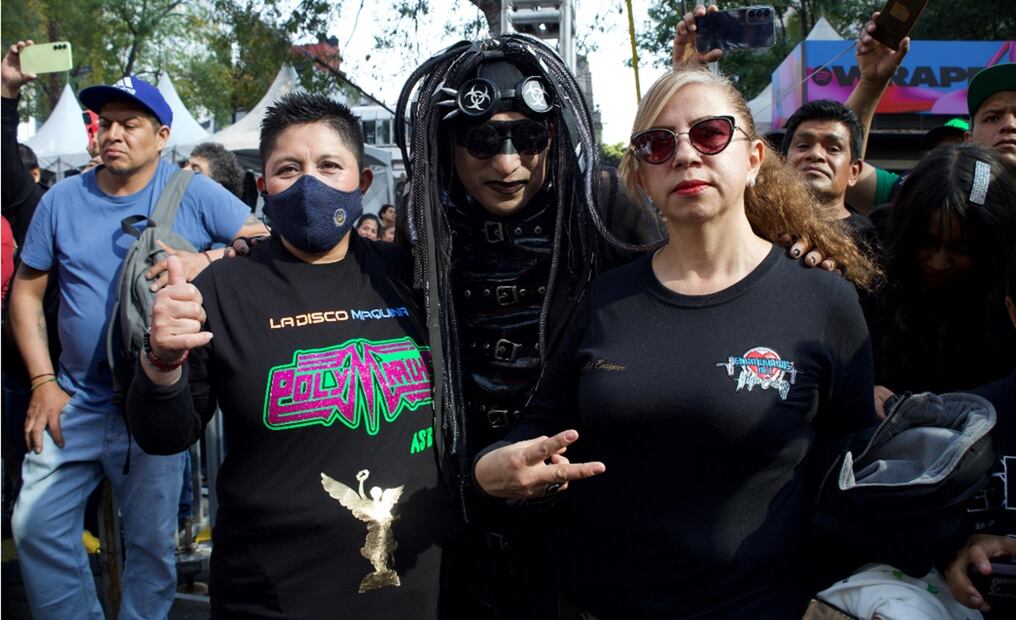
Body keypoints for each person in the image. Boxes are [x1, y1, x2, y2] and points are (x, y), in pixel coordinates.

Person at [398, 28, 840, 618]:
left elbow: (699, 245)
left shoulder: (601, 209)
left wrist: (787, 251)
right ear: (447, 146)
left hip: (590, 530)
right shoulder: (422, 222)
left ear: (552, 136)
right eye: (481, 140)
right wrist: (251, 247)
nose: (507, 162)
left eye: (527, 136)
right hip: (457, 508)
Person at [126, 92, 448, 619]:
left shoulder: (409, 278)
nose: (309, 185)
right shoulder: (222, 289)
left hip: (413, 589)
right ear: (263, 187)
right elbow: (164, 435)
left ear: (362, 181)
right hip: (273, 595)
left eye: (329, 165)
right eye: (288, 169)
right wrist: (161, 360)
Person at [8, 71, 264, 620]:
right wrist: (42, 382)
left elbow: (263, 242)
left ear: (162, 135)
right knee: (35, 526)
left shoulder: (192, 191)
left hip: (154, 403)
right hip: (72, 405)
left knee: (151, 549)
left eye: (132, 124)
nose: (114, 134)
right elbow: (26, 293)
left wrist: (207, 260)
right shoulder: (61, 200)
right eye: (106, 124)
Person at [873, 143, 1016, 395]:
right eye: (925, 242)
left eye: (960, 248)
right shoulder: (870, 248)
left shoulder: (1008, 285)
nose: (938, 262)